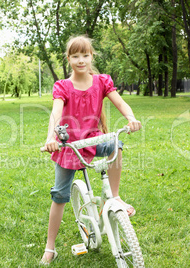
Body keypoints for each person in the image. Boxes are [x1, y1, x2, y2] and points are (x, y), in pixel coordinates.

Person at [41, 35, 142, 265]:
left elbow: (120, 103)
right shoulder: (63, 86)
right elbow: (56, 113)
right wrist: (51, 137)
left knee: (115, 144)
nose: (80, 60)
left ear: (91, 56)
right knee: (59, 196)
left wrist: (131, 118)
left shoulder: (102, 82)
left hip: (93, 139)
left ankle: (114, 197)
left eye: (85, 55)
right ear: (68, 59)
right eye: (75, 56)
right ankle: (50, 247)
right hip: (69, 146)